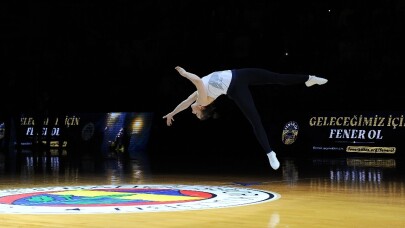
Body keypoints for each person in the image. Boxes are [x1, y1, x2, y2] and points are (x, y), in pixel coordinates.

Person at [163, 66, 328, 170]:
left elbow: (185, 102)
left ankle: (309, 78)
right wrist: (184, 74)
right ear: (202, 108)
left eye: (195, 115)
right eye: (197, 115)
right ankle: (270, 153)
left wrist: (172, 113)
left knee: (276, 77)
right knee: (255, 120)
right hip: (235, 88)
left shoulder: (200, 97)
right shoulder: (203, 99)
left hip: (240, 74)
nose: (193, 113)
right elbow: (198, 80)